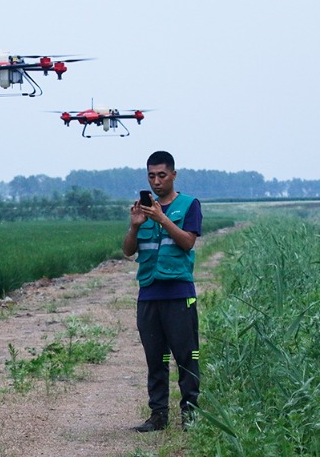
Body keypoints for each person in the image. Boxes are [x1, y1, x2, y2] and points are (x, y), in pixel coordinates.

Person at [122, 150, 202, 432]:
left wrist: (162, 219)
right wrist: (134, 227)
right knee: (156, 358)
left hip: (179, 294)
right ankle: (158, 416)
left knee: (186, 357)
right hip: (149, 294)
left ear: (173, 175)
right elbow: (128, 251)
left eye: (162, 175)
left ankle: (190, 415)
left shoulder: (189, 205)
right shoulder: (143, 211)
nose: (156, 181)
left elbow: (187, 243)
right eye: (151, 176)